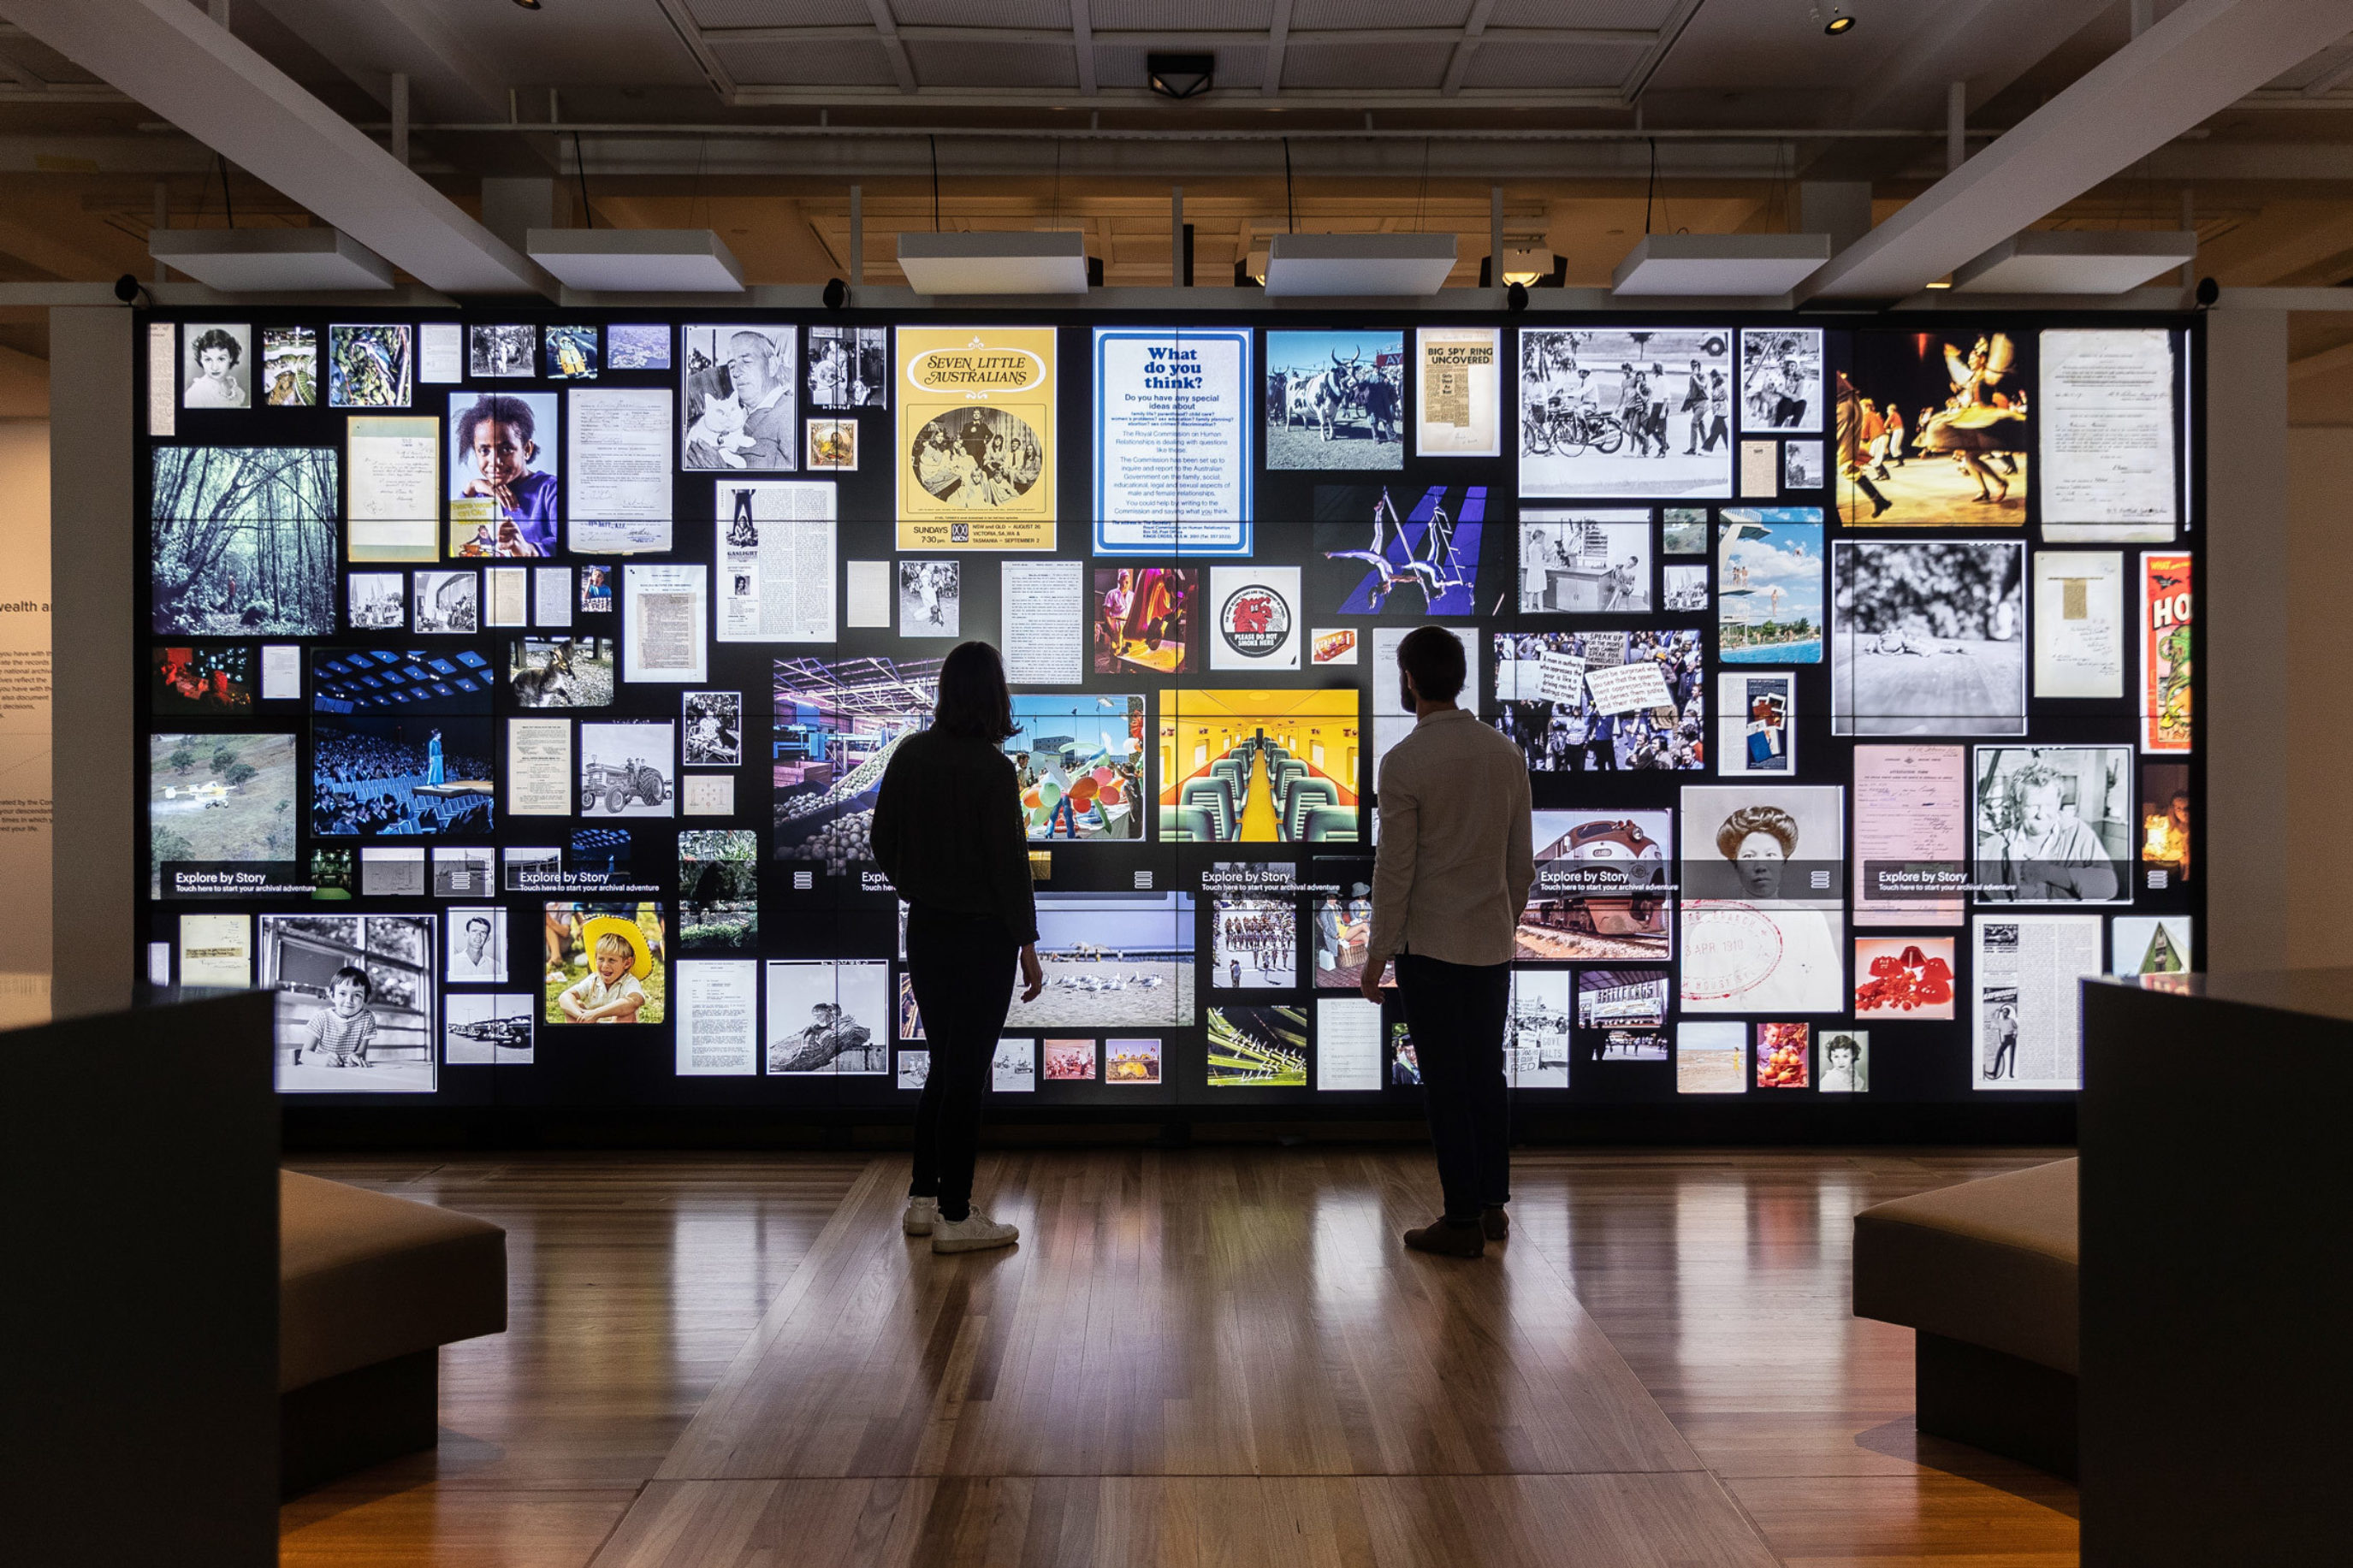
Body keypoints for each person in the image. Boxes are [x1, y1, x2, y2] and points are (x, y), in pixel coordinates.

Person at [1363, 627, 1536, 1259]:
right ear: (1460, 677)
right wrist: (1502, 919)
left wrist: (1377, 954)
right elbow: (1521, 863)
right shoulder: (1504, 752)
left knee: (1444, 1083)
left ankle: (1459, 1218)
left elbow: (1395, 871)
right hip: (1490, 944)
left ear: (1408, 680)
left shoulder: (1405, 762)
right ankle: (1492, 1206)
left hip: (1430, 948)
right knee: (1485, 1073)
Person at [872, 641, 1045, 1256]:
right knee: (967, 1075)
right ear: (994, 696)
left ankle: (923, 1198)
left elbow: (881, 841)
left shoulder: (911, 755)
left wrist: (918, 885)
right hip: (982, 939)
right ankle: (955, 1212)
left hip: (928, 929)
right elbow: (1009, 867)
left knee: (943, 1066)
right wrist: (1026, 943)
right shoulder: (994, 770)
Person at [454, 393, 557, 555]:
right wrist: (472, 486)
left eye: (507, 449)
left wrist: (528, 550)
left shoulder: (550, 490)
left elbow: (567, 545)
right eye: (484, 451)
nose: (495, 461)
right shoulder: (480, 495)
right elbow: (457, 539)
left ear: (527, 450)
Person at [558, 922, 649, 1024]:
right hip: (592, 1024)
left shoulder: (629, 981)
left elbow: (635, 1001)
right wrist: (581, 1015)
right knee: (575, 1005)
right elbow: (565, 996)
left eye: (611, 960)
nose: (605, 965)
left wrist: (595, 1014)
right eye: (601, 959)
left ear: (627, 963)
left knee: (625, 1013)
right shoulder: (594, 979)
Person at [295, 965, 376, 1068]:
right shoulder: (321, 1018)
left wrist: (356, 1056)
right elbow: (304, 1055)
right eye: (342, 993)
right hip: (321, 1071)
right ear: (332, 995)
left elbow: (361, 1053)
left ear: (366, 998)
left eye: (357, 995)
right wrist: (322, 1060)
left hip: (350, 1074)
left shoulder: (367, 1018)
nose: (349, 1001)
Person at [185, 327, 248, 408]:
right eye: (208, 359)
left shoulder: (235, 389)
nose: (214, 367)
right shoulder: (195, 394)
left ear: (231, 357)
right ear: (201, 360)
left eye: (221, 359)